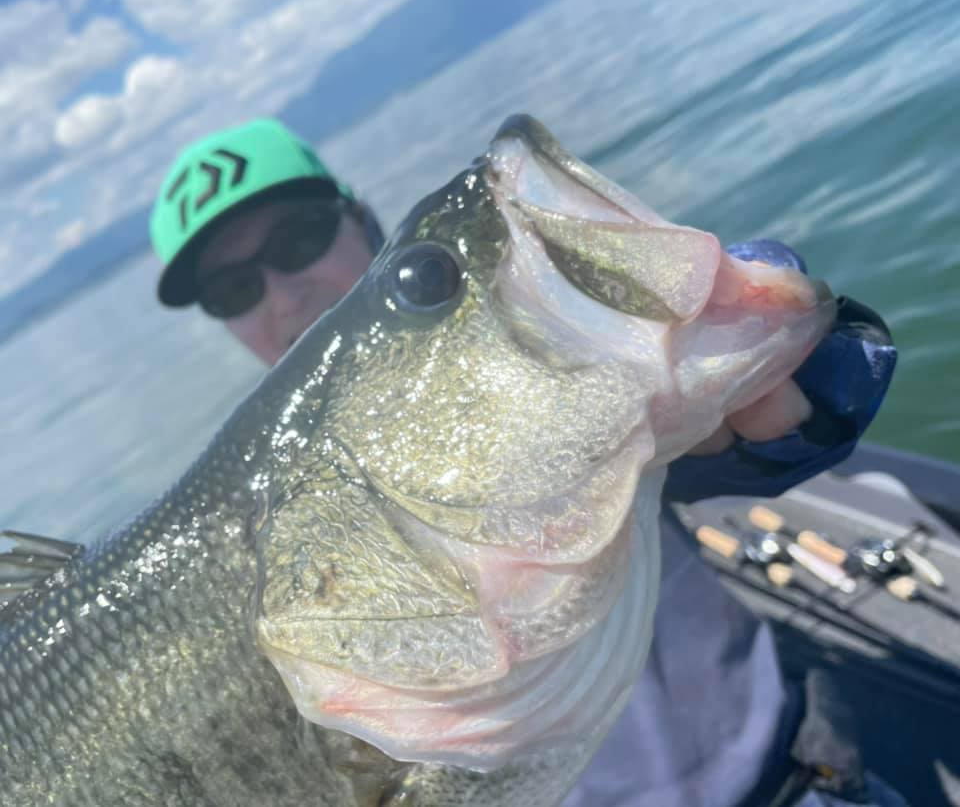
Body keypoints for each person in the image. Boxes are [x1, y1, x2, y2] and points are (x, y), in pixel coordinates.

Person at [150, 119, 905, 806]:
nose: (282, 291)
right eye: (233, 289)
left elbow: (706, 449)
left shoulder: (537, 362)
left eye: (298, 240)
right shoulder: (243, 524)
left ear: (362, 219)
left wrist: (770, 416)